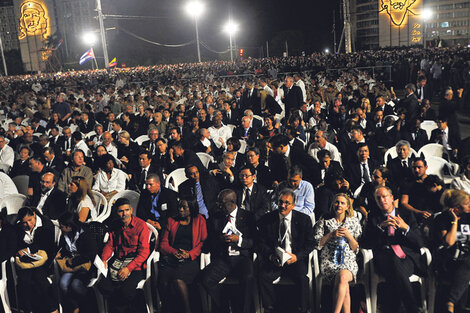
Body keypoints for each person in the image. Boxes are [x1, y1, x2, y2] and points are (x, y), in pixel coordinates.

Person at [361, 186, 425, 313]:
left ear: (391, 198)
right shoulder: (373, 217)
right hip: (384, 257)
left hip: (406, 257)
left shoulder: (406, 214)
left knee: (396, 270)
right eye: (378, 198)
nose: (381, 200)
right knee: (394, 262)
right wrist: (380, 227)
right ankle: (412, 309)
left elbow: (420, 242)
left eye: (384, 197)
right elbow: (365, 243)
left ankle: (391, 308)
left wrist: (406, 228)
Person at [257, 188, 315, 313]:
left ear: (293, 205)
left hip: (294, 259)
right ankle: (270, 308)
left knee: (303, 279)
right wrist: (271, 256)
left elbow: (310, 244)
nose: (282, 206)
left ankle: (303, 309)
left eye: (287, 203)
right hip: (274, 259)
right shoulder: (266, 219)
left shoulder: (304, 219)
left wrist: (297, 257)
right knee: (263, 276)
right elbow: (261, 243)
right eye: (280, 202)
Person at [201, 189, 257, 313]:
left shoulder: (248, 217)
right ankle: (224, 306)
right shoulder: (216, 217)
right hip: (224, 258)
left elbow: (254, 242)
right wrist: (219, 239)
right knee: (205, 278)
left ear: (232, 203)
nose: (218, 206)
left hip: (242, 258)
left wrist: (239, 240)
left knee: (248, 278)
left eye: (221, 204)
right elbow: (209, 243)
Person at [98, 198, 150, 313]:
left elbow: (144, 252)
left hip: (136, 264)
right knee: (103, 285)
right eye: (121, 211)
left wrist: (128, 268)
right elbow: (110, 245)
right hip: (118, 260)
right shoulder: (115, 224)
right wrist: (104, 259)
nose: (124, 213)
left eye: (127, 210)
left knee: (126, 291)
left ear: (131, 210)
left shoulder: (141, 225)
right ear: (117, 212)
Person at [314, 193, 362, 313]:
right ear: (332, 204)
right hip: (329, 260)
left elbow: (356, 248)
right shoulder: (325, 220)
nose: (339, 205)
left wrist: (349, 236)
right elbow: (317, 244)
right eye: (336, 202)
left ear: (347, 207)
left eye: (342, 203)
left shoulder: (354, 221)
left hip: (348, 261)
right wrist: (331, 234)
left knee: (342, 277)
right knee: (344, 285)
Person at [159, 197, 207, 313]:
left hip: (190, 259)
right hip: (173, 257)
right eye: (179, 206)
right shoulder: (171, 220)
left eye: (184, 207)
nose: (180, 209)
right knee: (163, 280)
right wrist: (173, 252)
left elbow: (203, 242)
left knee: (178, 280)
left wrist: (189, 254)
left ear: (191, 209)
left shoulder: (200, 220)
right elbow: (163, 243)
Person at [432, 190, 470, 313]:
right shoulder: (441, 219)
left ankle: (451, 302)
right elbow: (449, 243)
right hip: (448, 260)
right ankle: (453, 303)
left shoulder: (468, 217)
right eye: (467, 203)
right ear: (457, 207)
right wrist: (455, 222)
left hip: (466, 259)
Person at [15, 207, 58, 313]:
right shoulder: (18, 228)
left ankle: (52, 309)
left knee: (40, 279)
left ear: (34, 214)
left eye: (30, 220)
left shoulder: (46, 225)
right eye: (25, 223)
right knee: (24, 280)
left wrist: (29, 249)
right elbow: (15, 243)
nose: (28, 225)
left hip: (43, 260)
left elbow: (47, 246)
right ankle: (28, 310)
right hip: (27, 261)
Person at [56, 212, 97, 313]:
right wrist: (60, 253)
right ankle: (75, 306)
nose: (61, 229)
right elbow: (63, 248)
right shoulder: (65, 235)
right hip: (71, 266)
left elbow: (91, 254)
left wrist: (74, 261)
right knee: (63, 284)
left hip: (84, 266)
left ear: (69, 227)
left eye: (62, 227)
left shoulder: (85, 234)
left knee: (76, 284)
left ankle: (88, 305)